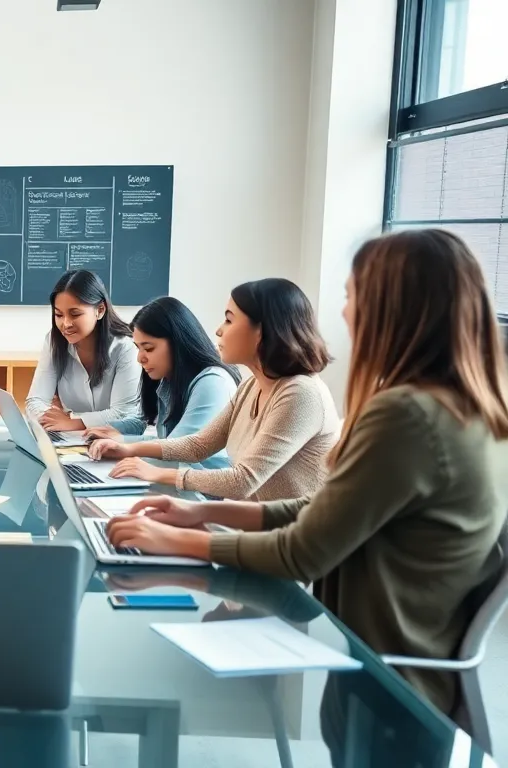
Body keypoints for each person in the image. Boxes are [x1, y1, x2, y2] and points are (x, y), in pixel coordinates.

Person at [106, 229, 508, 723]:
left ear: (395, 309)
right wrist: (199, 513)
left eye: (353, 296)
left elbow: (303, 551)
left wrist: (172, 540)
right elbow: (322, 511)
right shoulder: (460, 408)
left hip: (386, 687)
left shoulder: (407, 416)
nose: (344, 313)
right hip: (394, 668)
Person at [88, 278, 338, 501]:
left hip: (290, 540)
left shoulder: (300, 393)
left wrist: (157, 473)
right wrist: (128, 448)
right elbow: (198, 445)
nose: (219, 330)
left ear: (261, 330)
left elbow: (243, 481)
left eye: (229, 319)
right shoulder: (251, 386)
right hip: (252, 525)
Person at [86, 296, 240, 468]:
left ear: (177, 342)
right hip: (178, 487)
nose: (140, 358)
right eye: (138, 348)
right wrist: (120, 442)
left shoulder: (213, 382)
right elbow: (165, 442)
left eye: (149, 348)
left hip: (205, 492)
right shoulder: (168, 382)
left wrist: (125, 449)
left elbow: (177, 452)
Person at [26, 270, 141, 432]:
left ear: (100, 310)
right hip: (72, 440)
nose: (65, 324)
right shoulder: (54, 341)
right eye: (58, 315)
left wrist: (71, 422)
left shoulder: (125, 346)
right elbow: (35, 401)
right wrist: (49, 419)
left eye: (75, 314)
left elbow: (123, 414)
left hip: (118, 440)